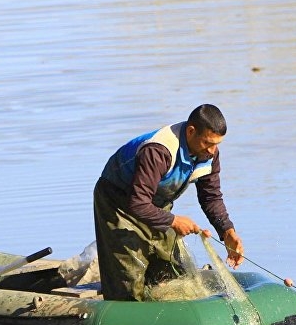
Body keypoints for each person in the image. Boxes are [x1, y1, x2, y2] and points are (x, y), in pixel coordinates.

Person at [93, 104, 245, 301]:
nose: (212, 151)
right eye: (208, 143)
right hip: (118, 203)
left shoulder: (209, 153)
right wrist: (173, 221)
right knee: (128, 275)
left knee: (171, 268)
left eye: (217, 144)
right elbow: (137, 203)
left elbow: (211, 197)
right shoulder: (158, 151)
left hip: (155, 203)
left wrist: (227, 232)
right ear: (191, 131)